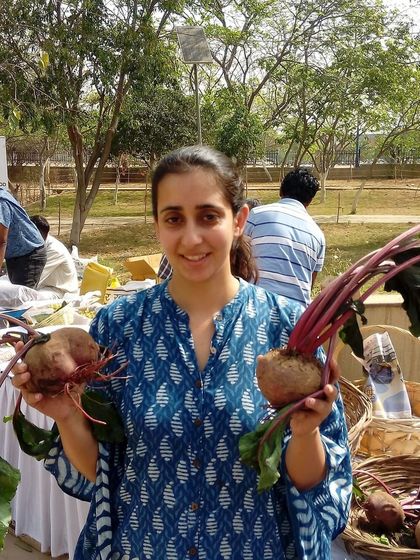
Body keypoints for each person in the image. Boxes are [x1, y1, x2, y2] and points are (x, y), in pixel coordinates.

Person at [12, 146, 351, 559]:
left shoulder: (289, 330)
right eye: (174, 218)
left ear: (240, 221)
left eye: (209, 217)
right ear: (157, 226)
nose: (191, 238)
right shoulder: (119, 328)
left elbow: (311, 484)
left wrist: (305, 431)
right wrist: (66, 413)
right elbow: (103, 474)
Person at [244, 167, 325, 307]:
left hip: (255, 309)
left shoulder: (256, 215)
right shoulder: (318, 235)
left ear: (281, 190)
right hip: (295, 320)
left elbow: (236, 256)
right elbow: (309, 284)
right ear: (310, 200)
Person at [0, 185, 46, 288]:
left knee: (22, 299)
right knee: (15, 297)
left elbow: (1, 241)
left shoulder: (1, 202)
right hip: (14, 255)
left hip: (29, 253)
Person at [30, 215, 79, 299]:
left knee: (26, 297)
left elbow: (31, 280)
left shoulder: (54, 250)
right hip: (44, 287)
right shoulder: (37, 245)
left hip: (60, 292)